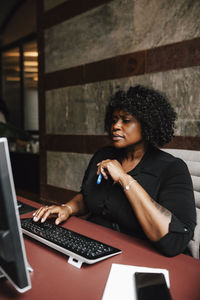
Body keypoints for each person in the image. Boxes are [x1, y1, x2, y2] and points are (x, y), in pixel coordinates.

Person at [33, 85, 196, 257]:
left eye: (126, 120)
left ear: (148, 124)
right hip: (97, 247)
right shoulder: (103, 155)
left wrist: (124, 179)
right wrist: (67, 208)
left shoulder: (172, 168)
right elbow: (88, 197)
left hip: (142, 257)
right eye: (114, 120)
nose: (116, 126)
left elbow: (173, 241)